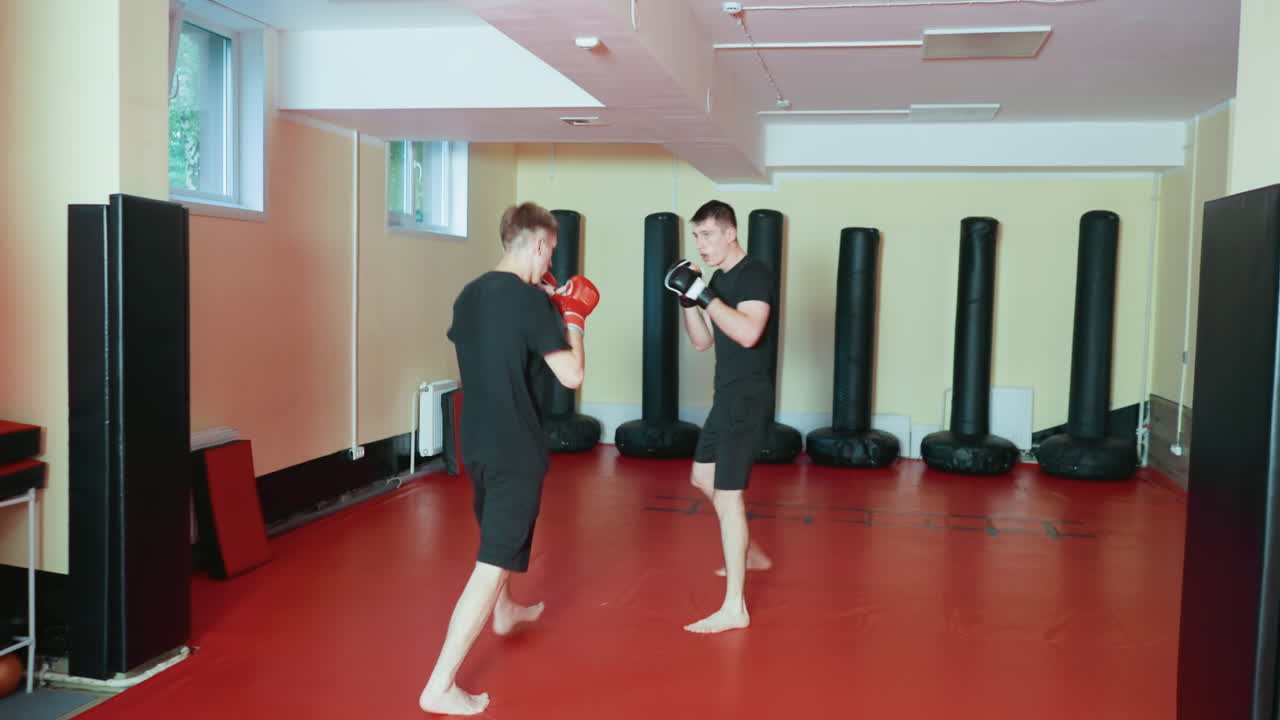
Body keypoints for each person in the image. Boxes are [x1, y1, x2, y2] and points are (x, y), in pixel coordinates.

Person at [419, 202, 599, 715]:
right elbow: (571, 376)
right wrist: (574, 317)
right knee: (494, 559)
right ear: (541, 244)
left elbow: (494, 344)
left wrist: (540, 302)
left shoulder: (470, 294)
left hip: (472, 439)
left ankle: (506, 612)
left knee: (497, 534)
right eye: (551, 251)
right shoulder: (532, 303)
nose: (551, 261)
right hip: (514, 445)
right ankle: (441, 683)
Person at [663, 199, 775, 634]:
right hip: (725, 397)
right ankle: (752, 553)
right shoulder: (719, 278)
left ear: (731, 233)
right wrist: (687, 300)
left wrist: (702, 293)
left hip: (748, 398)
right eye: (696, 236)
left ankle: (735, 609)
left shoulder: (755, 274)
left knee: (728, 498)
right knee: (702, 478)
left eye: (707, 235)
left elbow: (748, 333)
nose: (701, 244)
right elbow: (702, 343)